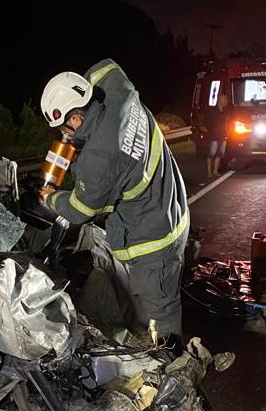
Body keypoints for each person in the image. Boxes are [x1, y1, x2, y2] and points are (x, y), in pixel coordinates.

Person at [38, 60, 190, 349]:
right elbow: (106, 67)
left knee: (159, 316)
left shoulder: (98, 160)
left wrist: (50, 197)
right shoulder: (119, 90)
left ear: (76, 120)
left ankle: (173, 369)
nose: (64, 136)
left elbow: (79, 210)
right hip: (171, 203)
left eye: (64, 128)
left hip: (155, 240)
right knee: (141, 305)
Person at [205, 93, 229, 177]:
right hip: (214, 136)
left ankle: (215, 171)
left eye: (226, 99)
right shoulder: (213, 111)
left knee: (220, 154)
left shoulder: (225, 111)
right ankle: (209, 172)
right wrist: (211, 131)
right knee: (211, 154)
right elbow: (207, 122)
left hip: (223, 136)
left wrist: (227, 133)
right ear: (219, 100)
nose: (226, 101)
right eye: (224, 99)